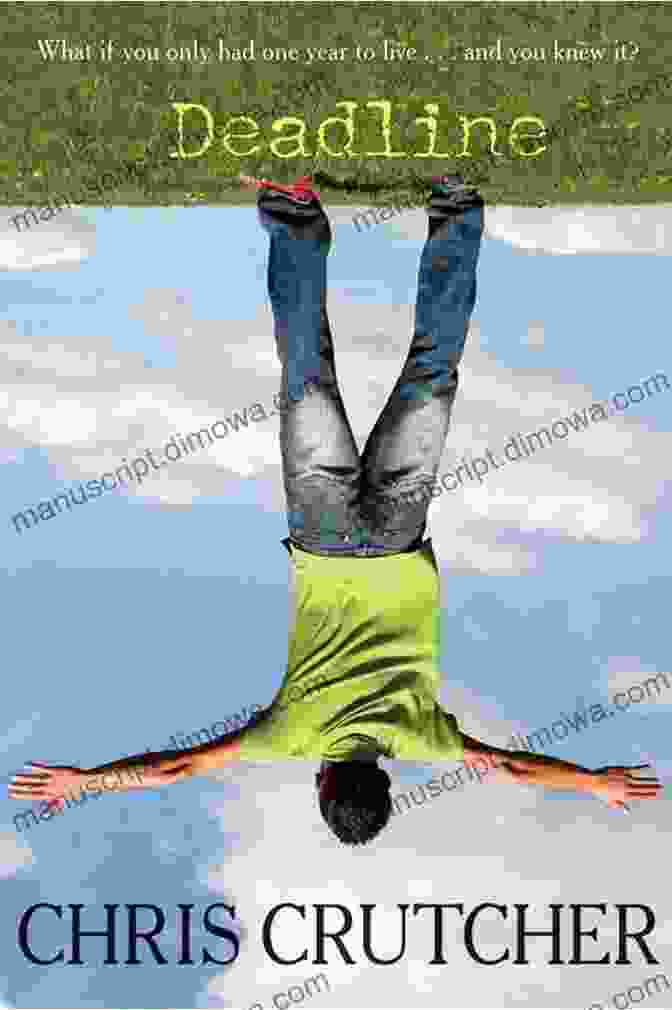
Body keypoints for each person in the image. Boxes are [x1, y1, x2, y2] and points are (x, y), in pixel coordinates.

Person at [8, 175, 662, 845]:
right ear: (321, 781)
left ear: (385, 781)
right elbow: (175, 768)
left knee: (433, 373)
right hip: (322, 539)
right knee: (306, 376)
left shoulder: (422, 739)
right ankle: (294, 209)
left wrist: (597, 782)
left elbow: (514, 769)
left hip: (398, 539)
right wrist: (82, 781)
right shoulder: (292, 736)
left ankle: (457, 204)